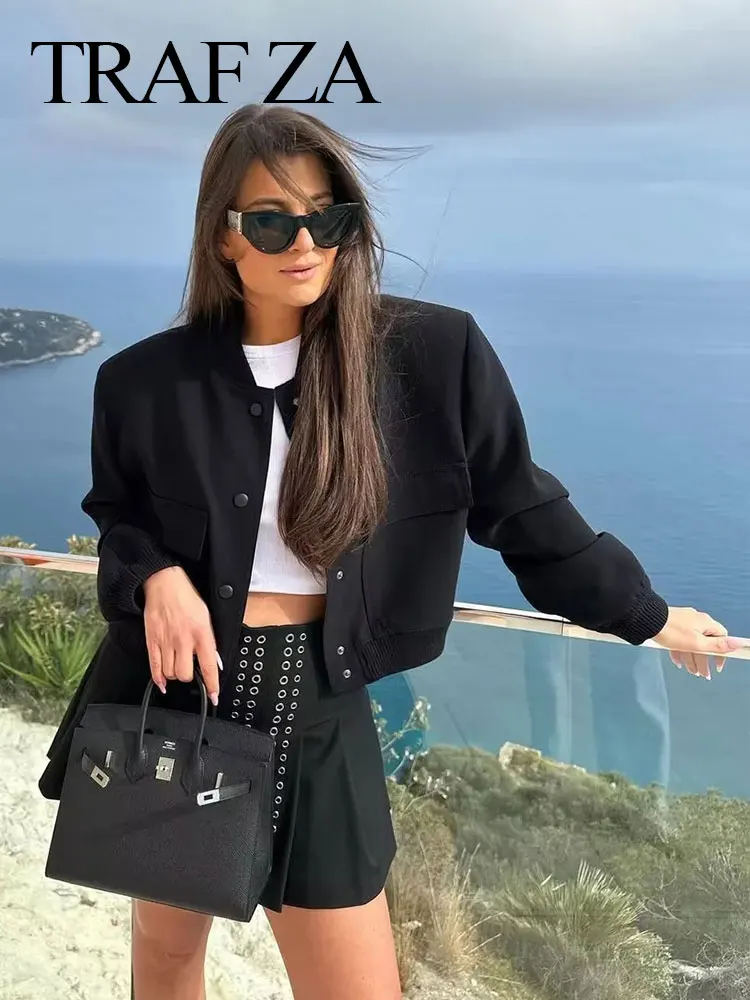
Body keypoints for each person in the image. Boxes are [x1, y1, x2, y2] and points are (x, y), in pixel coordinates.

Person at [39, 103, 739, 1000]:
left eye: (326, 217)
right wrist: (156, 578)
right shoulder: (142, 381)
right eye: (271, 221)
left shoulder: (430, 355)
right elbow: (119, 514)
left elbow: (520, 506)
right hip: (173, 694)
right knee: (169, 955)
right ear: (223, 236)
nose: (305, 242)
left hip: (319, 703)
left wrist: (646, 615)